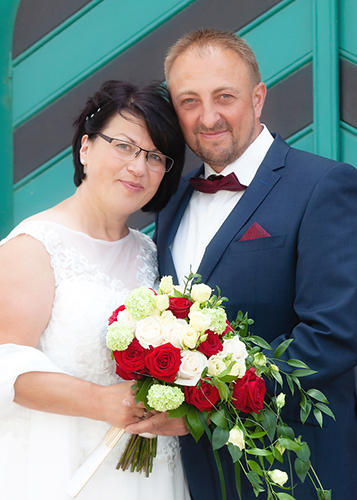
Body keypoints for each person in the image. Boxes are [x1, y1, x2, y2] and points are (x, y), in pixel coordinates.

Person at [126, 29, 357, 499]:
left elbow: (332, 335)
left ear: (257, 98)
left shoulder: (324, 185)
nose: (207, 117)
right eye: (189, 101)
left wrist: (202, 405)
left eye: (224, 97)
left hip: (295, 469)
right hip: (194, 476)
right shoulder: (171, 204)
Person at [0, 80, 191, 500]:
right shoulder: (35, 245)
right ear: (86, 147)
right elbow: (5, 367)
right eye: (123, 146)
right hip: (62, 468)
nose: (138, 168)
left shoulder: (154, 254)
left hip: (152, 474)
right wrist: (100, 401)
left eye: (155, 156)